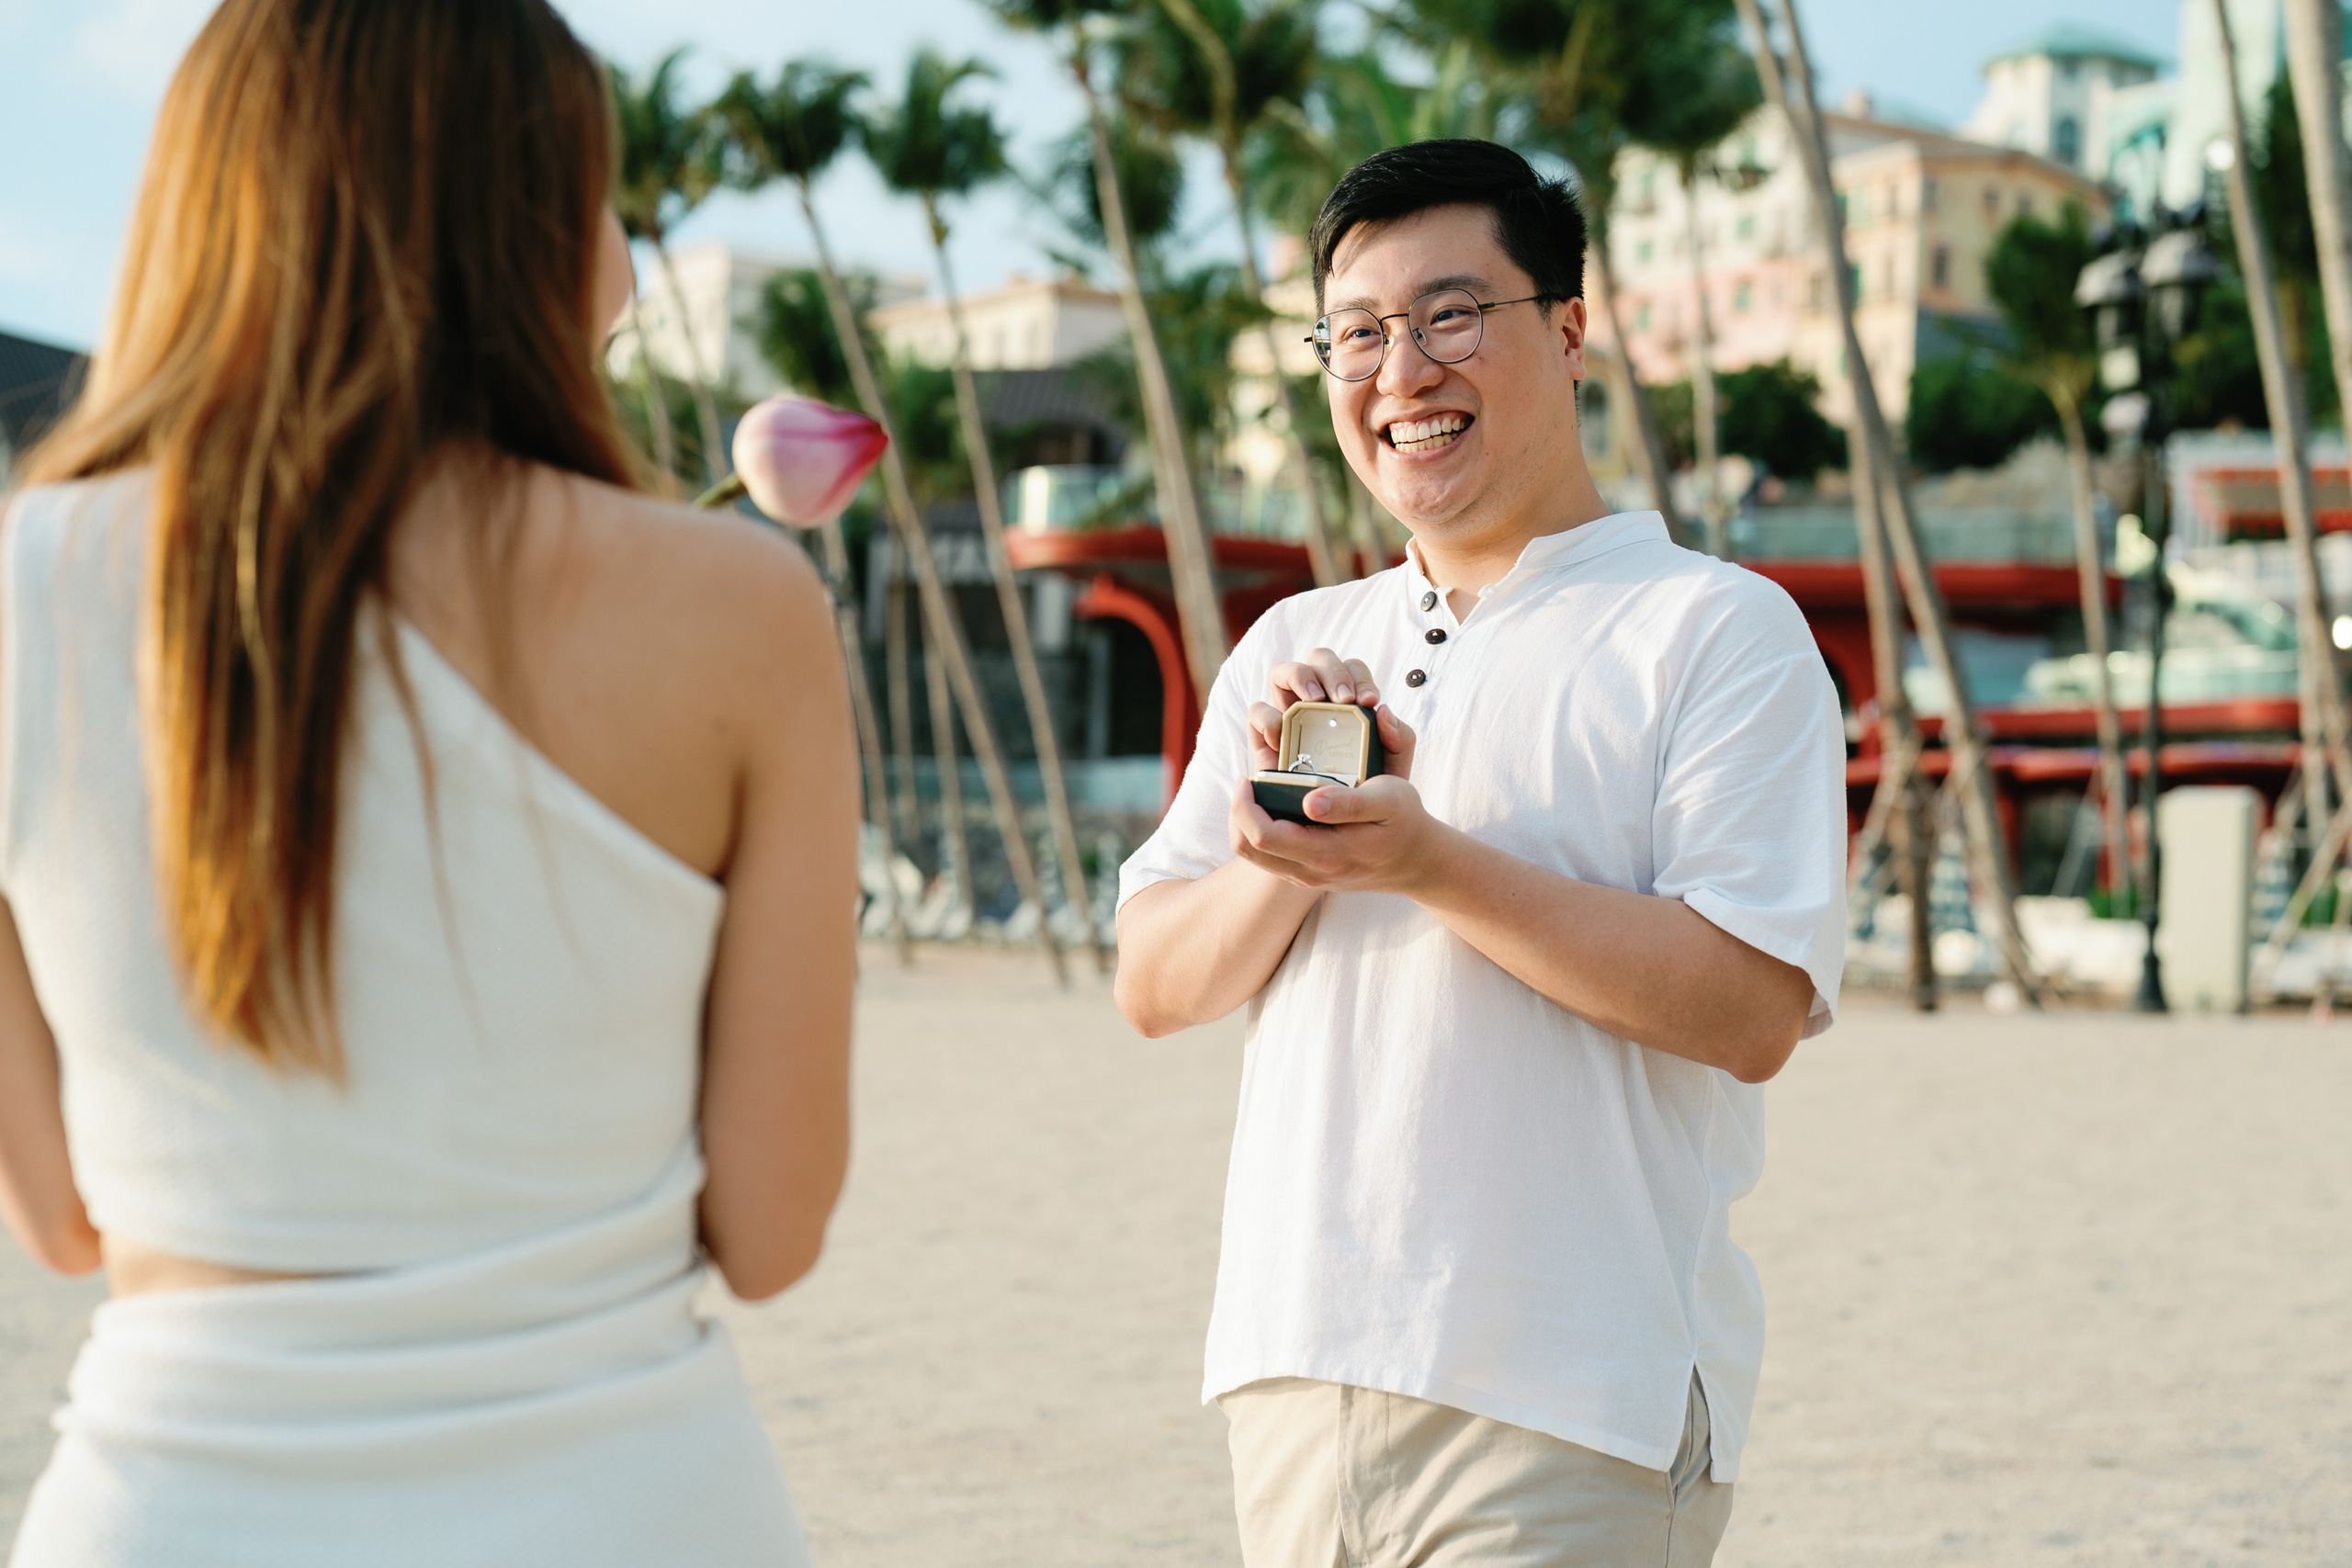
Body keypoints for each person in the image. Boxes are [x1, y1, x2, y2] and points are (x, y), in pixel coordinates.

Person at [0, 3, 856, 1563]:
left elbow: (63, 1221)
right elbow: (774, 1229)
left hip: (176, 1504)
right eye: (600, 198)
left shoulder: (20, 593)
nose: (629, 261)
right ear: (519, 219)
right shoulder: (739, 609)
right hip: (634, 1506)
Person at [1114, 140, 1847, 1566]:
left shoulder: (1712, 628)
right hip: (1294, 1362)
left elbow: (1751, 1007)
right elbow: (1153, 981)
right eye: (1360, 333)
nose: (1402, 371)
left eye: (1454, 316)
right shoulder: (1293, 648)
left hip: (1572, 1389)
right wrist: (1291, 853)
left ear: (1568, 330)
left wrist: (1429, 864)